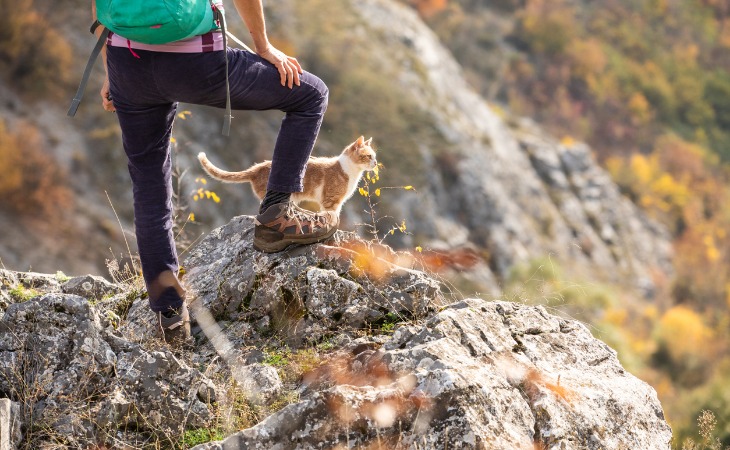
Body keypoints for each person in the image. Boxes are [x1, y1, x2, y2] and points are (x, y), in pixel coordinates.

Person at [93, 0, 338, 345]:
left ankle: (170, 315)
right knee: (311, 95)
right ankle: (276, 216)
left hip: (127, 65)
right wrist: (264, 47)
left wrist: (110, 72)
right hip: (196, 65)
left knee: (148, 187)